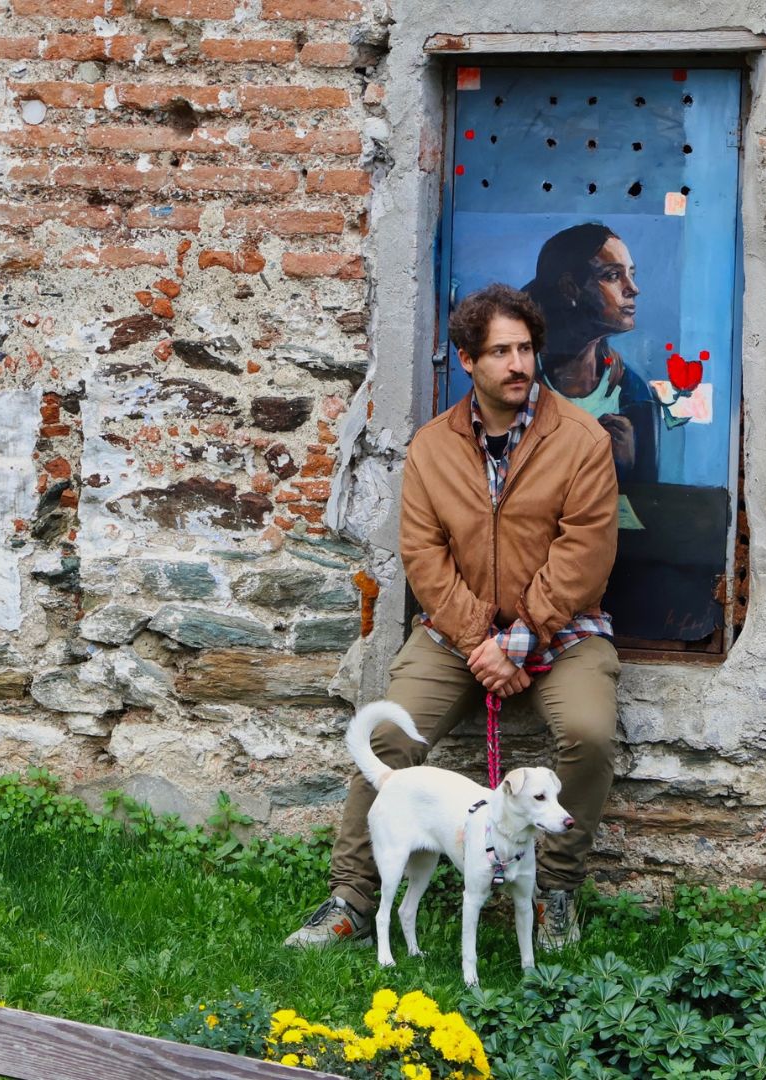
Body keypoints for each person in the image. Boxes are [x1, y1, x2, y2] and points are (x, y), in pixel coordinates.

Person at [285, 283, 622, 953]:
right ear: (467, 360)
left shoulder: (582, 439)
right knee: (390, 741)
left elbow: (586, 550)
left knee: (588, 734)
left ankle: (554, 890)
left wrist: (519, 640)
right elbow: (424, 555)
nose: (517, 365)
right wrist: (480, 642)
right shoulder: (433, 446)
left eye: (525, 349)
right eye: (499, 352)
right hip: (456, 633)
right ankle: (352, 899)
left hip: (562, 629)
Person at [521, 223, 659, 483]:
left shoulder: (632, 394)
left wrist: (628, 465)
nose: (633, 288)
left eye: (631, 274)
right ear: (569, 288)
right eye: (613, 275)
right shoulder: (521, 382)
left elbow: (648, 498)